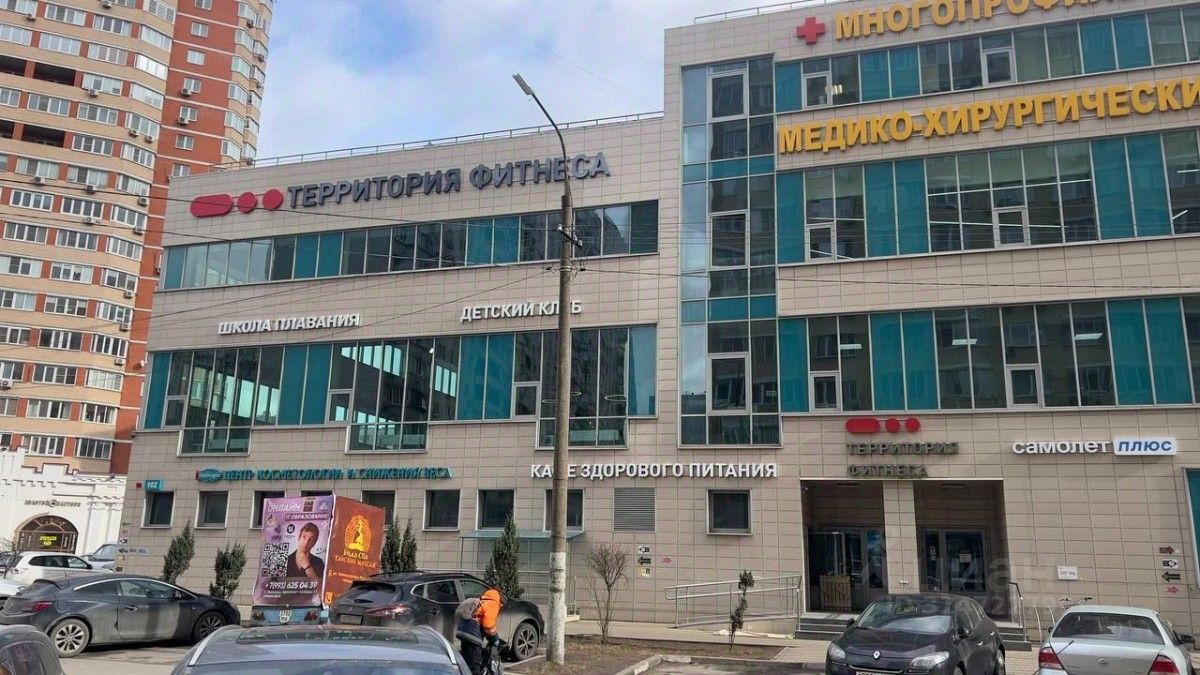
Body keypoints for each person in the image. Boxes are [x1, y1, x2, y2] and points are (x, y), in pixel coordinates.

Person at [454, 595, 484, 675]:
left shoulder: (472, 600)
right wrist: (494, 639)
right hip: (473, 635)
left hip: (462, 631)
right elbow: (489, 625)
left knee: (465, 659)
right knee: (474, 664)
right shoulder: (489, 604)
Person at [474, 588, 504, 665]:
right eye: (501, 605)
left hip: (464, 628)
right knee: (475, 662)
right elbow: (488, 625)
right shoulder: (493, 604)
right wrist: (495, 637)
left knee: (467, 658)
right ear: (500, 601)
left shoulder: (483, 600)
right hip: (473, 630)